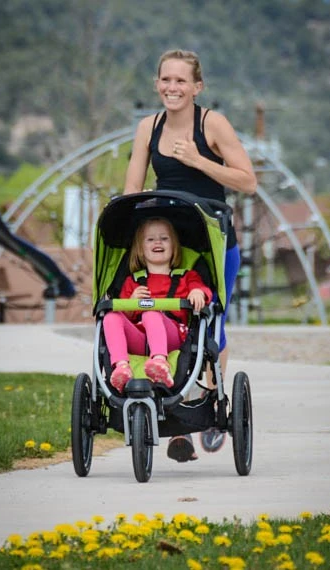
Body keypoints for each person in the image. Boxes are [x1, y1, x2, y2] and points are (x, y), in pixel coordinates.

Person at [123, 49, 257, 460]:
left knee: (209, 325)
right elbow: (132, 191)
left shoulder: (211, 123)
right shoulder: (149, 127)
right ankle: (176, 420)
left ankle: (207, 404)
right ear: (156, 83)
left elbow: (247, 182)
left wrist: (199, 160)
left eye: (181, 81)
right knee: (165, 315)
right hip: (173, 240)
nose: (172, 87)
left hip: (215, 241)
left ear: (197, 87)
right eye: (166, 80)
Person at [103, 217, 212, 394]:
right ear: (140, 248)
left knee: (150, 313)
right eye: (150, 239)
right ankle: (121, 366)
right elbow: (126, 317)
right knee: (111, 316)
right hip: (141, 337)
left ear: (174, 246)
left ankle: (160, 362)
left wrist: (197, 293)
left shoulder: (187, 277)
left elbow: (202, 290)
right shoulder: (133, 281)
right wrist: (131, 302)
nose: (158, 242)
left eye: (164, 238)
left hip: (173, 336)